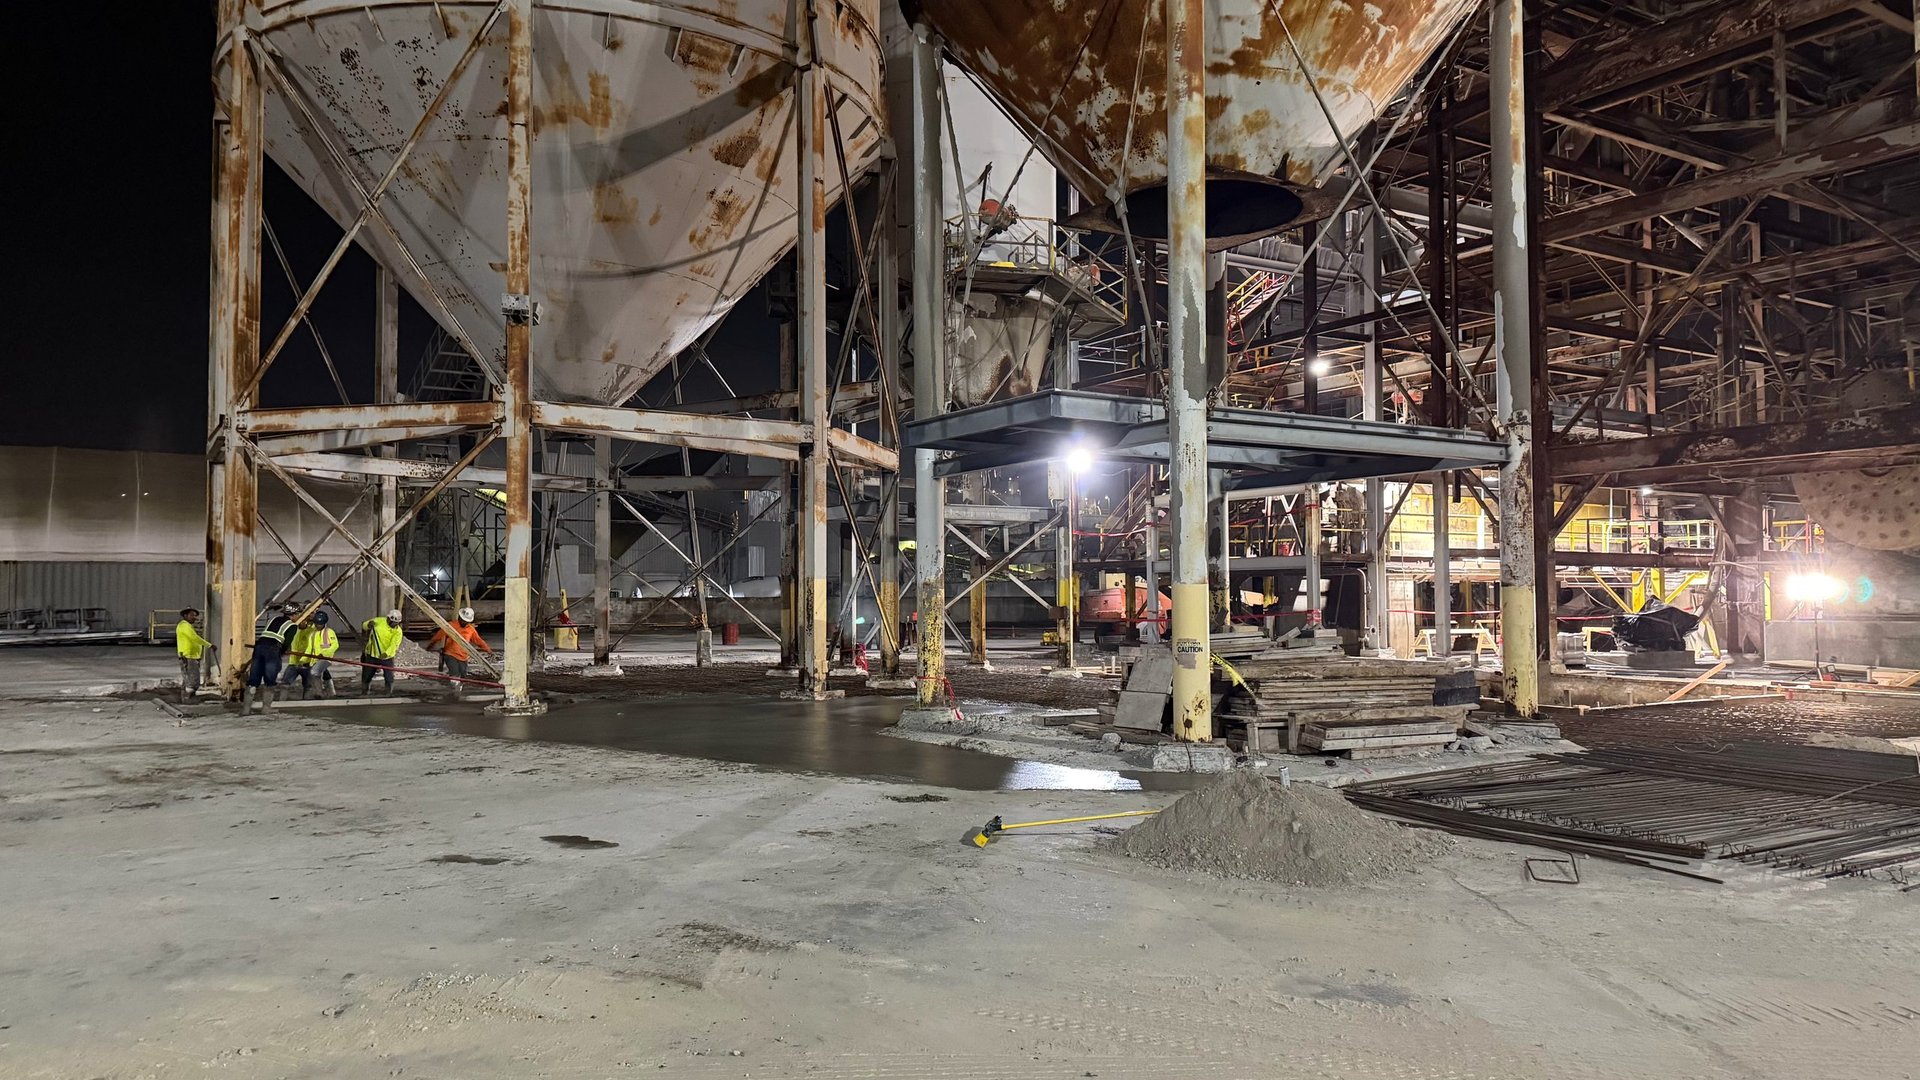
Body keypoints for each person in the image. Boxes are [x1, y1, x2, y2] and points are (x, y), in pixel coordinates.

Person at [426, 607, 492, 696]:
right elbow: (438, 636)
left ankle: (458, 690)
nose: (463, 622)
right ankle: (454, 693)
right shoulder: (451, 626)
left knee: (463, 675)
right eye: (462, 620)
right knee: (455, 673)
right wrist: (430, 646)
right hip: (450, 653)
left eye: (466, 621)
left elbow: (478, 641)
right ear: (459, 618)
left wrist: (488, 649)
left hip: (463, 656)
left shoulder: (471, 629)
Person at [245, 602, 297, 714]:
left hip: (259, 647)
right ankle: (266, 708)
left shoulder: (274, 619)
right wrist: (280, 653)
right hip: (272, 650)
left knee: (254, 678)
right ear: (294, 614)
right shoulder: (292, 626)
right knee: (270, 679)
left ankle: (246, 709)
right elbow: (286, 643)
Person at [282, 611, 339, 700]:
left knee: (314, 672)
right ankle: (321, 693)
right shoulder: (312, 634)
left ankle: (319, 693)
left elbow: (335, 645)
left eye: (319, 624)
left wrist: (324, 653)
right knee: (312, 674)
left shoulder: (329, 632)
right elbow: (309, 649)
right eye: (316, 624)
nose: (317, 626)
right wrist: (303, 660)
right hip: (313, 660)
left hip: (325, 658)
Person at [360, 608, 405, 696]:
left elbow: (394, 645)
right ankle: (365, 691)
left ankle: (388, 692)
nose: (395, 625)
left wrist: (386, 654)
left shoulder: (398, 632)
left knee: (389, 676)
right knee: (367, 675)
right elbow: (364, 625)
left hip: (387, 657)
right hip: (372, 654)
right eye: (393, 622)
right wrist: (368, 625)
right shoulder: (378, 621)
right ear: (388, 619)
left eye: (397, 623)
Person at [174, 608, 212, 704]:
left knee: (188, 678)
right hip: (188, 656)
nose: (194, 617)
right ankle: (188, 699)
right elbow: (193, 638)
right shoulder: (184, 626)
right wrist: (209, 645)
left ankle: (188, 698)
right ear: (185, 616)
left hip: (192, 656)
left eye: (195, 615)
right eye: (192, 615)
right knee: (193, 679)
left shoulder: (188, 626)